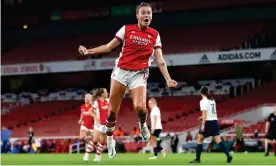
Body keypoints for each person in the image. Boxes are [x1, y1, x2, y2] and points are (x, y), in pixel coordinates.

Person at [78, 2, 178, 159]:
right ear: (137, 16)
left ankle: (143, 124)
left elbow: (160, 61)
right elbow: (108, 47)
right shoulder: (126, 29)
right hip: (121, 72)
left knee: (141, 108)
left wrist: (168, 78)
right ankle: (110, 140)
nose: (147, 15)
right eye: (143, 13)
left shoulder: (155, 34)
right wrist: (88, 51)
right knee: (111, 114)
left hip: (139, 74)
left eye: (149, 13)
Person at [189, 87, 232, 163]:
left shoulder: (203, 101)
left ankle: (197, 159)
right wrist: (202, 117)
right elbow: (211, 112)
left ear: (201, 93)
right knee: (218, 140)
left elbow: (205, 113)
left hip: (208, 123)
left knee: (199, 139)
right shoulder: (212, 100)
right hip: (215, 122)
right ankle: (228, 155)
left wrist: (202, 125)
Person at [91, 88, 110, 162]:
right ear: (102, 94)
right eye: (106, 92)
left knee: (102, 142)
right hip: (98, 124)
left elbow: (116, 97)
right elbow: (90, 111)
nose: (107, 93)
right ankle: (87, 154)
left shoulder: (107, 101)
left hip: (106, 124)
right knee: (95, 140)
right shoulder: (96, 102)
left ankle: (97, 157)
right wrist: (96, 117)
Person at [78, 93, 99, 161]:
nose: (86, 99)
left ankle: (96, 156)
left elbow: (95, 114)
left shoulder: (93, 106)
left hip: (93, 126)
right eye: (85, 98)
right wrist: (81, 119)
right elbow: (82, 113)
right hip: (85, 125)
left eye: (88, 98)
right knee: (81, 138)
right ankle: (87, 141)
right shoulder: (82, 106)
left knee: (96, 142)